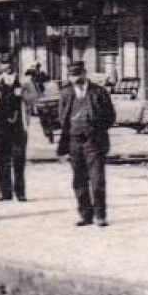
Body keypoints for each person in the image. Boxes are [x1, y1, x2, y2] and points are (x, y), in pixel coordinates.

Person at [55, 61, 115, 226]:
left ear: (84, 73)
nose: (75, 79)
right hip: (74, 141)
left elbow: (110, 116)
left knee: (97, 179)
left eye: (78, 74)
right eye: (72, 76)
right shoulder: (66, 93)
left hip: (93, 141)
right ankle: (85, 215)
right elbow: (61, 117)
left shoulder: (99, 92)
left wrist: (96, 129)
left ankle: (100, 215)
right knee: (79, 180)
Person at [0, 59, 33, 202]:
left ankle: (20, 192)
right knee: (2, 158)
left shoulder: (24, 80)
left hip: (18, 124)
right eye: (4, 63)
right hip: (1, 123)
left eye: (9, 63)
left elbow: (33, 98)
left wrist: (23, 94)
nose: (7, 66)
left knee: (19, 157)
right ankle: (5, 192)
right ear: (1, 66)